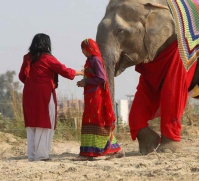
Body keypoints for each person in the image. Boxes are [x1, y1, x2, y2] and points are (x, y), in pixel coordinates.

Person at [19, 33, 83, 161]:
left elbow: (22, 76)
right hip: (44, 94)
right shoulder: (48, 58)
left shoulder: (27, 58)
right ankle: (42, 156)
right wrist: (80, 72)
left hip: (28, 94)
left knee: (31, 124)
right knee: (44, 122)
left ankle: (32, 156)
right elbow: (65, 71)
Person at [74, 38, 124, 161]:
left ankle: (115, 150)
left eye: (83, 49)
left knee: (98, 122)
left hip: (97, 96)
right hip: (91, 95)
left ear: (89, 49)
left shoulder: (95, 60)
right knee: (91, 122)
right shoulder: (90, 60)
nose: (82, 52)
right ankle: (89, 153)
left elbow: (101, 78)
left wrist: (86, 82)